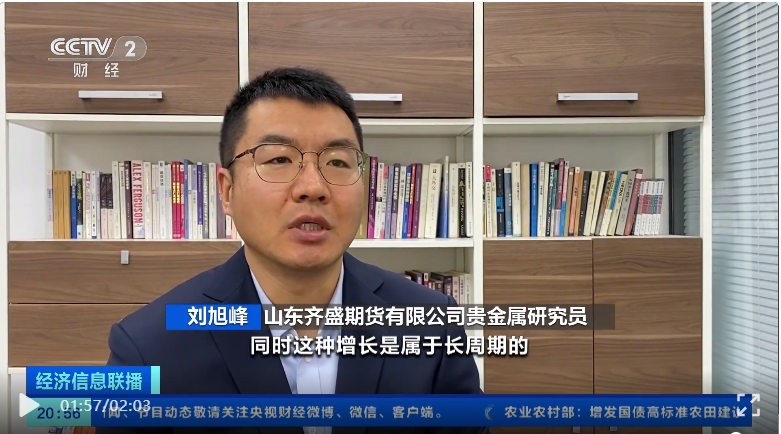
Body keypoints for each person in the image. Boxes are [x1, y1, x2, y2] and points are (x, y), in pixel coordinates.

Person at [97, 67, 487, 434]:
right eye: (279, 159)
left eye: (338, 162)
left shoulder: (432, 324)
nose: (313, 187)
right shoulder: (147, 349)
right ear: (227, 191)